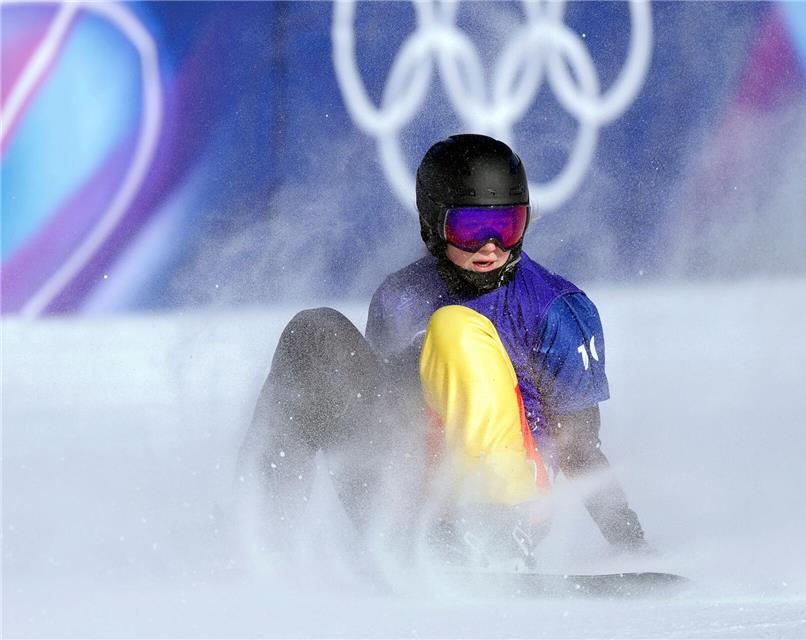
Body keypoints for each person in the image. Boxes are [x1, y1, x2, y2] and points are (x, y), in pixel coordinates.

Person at [237, 134, 648, 570]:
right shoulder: (400, 296)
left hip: (508, 506)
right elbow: (380, 415)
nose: (491, 246)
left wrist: (630, 541)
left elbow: (579, 446)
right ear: (433, 227)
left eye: (508, 226)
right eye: (471, 230)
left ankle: (497, 547)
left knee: (454, 328)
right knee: (314, 332)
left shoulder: (556, 309)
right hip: (409, 501)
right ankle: (263, 536)